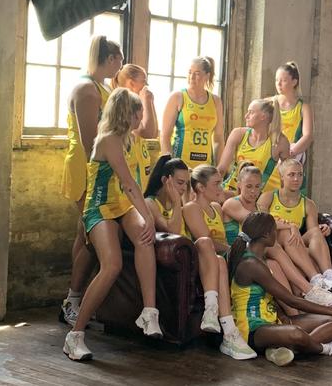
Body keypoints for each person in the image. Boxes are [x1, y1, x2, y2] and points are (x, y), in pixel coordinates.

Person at [63, 88, 162, 361]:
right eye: (138, 110)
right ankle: (75, 336)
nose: (142, 116)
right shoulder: (108, 140)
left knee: (144, 237)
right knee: (112, 265)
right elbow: (130, 185)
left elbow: (132, 189)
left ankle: (149, 312)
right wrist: (150, 217)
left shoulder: (128, 139)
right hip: (99, 208)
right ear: (127, 113)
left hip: (121, 206)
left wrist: (146, 220)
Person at [229, 212, 332, 366]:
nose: (276, 233)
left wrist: (282, 316)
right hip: (252, 329)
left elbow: (268, 296)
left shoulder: (259, 257)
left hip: (273, 321)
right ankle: (326, 348)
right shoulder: (251, 264)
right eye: (274, 230)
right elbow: (291, 300)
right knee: (297, 333)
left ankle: (285, 349)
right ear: (265, 235)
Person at [60, 35, 123, 326]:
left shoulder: (103, 87)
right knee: (89, 236)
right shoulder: (87, 89)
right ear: (109, 59)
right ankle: (73, 301)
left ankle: (78, 297)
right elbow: (89, 141)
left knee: (82, 233)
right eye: (119, 60)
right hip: (86, 168)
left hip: (97, 168)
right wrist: (102, 176)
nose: (121, 65)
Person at [222, 163, 332, 307]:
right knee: (275, 245)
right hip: (236, 253)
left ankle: (309, 310)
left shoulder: (259, 206)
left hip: (257, 253)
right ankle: (311, 290)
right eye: (249, 186)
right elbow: (259, 223)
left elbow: (271, 226)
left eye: (257, 186)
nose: (254, 191)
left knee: (276, 262)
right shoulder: (231, 203)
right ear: (239, 184)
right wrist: (291, 226)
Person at [182, 165, 256, 360]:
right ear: (200, 187)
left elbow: (222, 242)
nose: (221, 188)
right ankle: (220, 320)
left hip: (221, 259)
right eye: (216, 184)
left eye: (221, 183)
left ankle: (221, 319)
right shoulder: (190, 208)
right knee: (209, 247)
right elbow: (204, 240)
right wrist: (232, 249)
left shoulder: (216, 207)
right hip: (201, 262)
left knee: (227, 260)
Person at [258, 158, 332, 295]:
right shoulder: (268, 197)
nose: (296, 178)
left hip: (296, 245)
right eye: (291, 174)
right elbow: (263, 224)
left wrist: (322, 229)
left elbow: (311, 231)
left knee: (315, 232)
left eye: (300, 174)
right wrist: (291, 226)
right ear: (282, 177)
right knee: (286, 232)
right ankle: (315, 278)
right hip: (275, 245)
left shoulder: (308, 204)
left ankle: (329, 276)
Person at [160, 56, 225, 169]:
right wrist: (171, 166)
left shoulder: (216, 101)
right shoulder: (177, 97)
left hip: (205, 168)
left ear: (207, 76)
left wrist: (219, 169)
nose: (192, 77)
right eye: (190, 72)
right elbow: (165, 135)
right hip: (181, 164)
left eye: (197, 73)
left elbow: (218, 138)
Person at [219, 98, 289, 196]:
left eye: (251, 112)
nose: (246, 116)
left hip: (259, 196)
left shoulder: (279, 141)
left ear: (263, 116)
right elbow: (221, 169)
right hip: (233, 191)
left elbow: (287, 176)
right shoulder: (238, 134)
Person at [112, 64, 158, 192]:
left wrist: (150, 102)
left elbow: (154, 133)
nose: (146, 85)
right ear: (131, 83)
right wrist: (147, 100)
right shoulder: (124, 102)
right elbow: (146, 132)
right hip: (131, 167)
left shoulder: (138, 102)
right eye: (143, 81)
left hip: (141, 164)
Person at [274, 61, 313, 166]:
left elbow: (308, 136)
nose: (279, 84)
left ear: (294, 82)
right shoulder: (270, 103)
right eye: (277, 80)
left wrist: (290, 152)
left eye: (284, 80)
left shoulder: (303, 107)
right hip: (271, 154)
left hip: (292, 156)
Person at [143, 154, 190, 235]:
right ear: (165, 180)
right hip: (174, 246)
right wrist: (176, 203)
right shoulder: (150, 202)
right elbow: (173, 233)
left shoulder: (183, 202)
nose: (184, 188)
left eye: (186, 184)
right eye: (180, 183)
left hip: (189, 246)